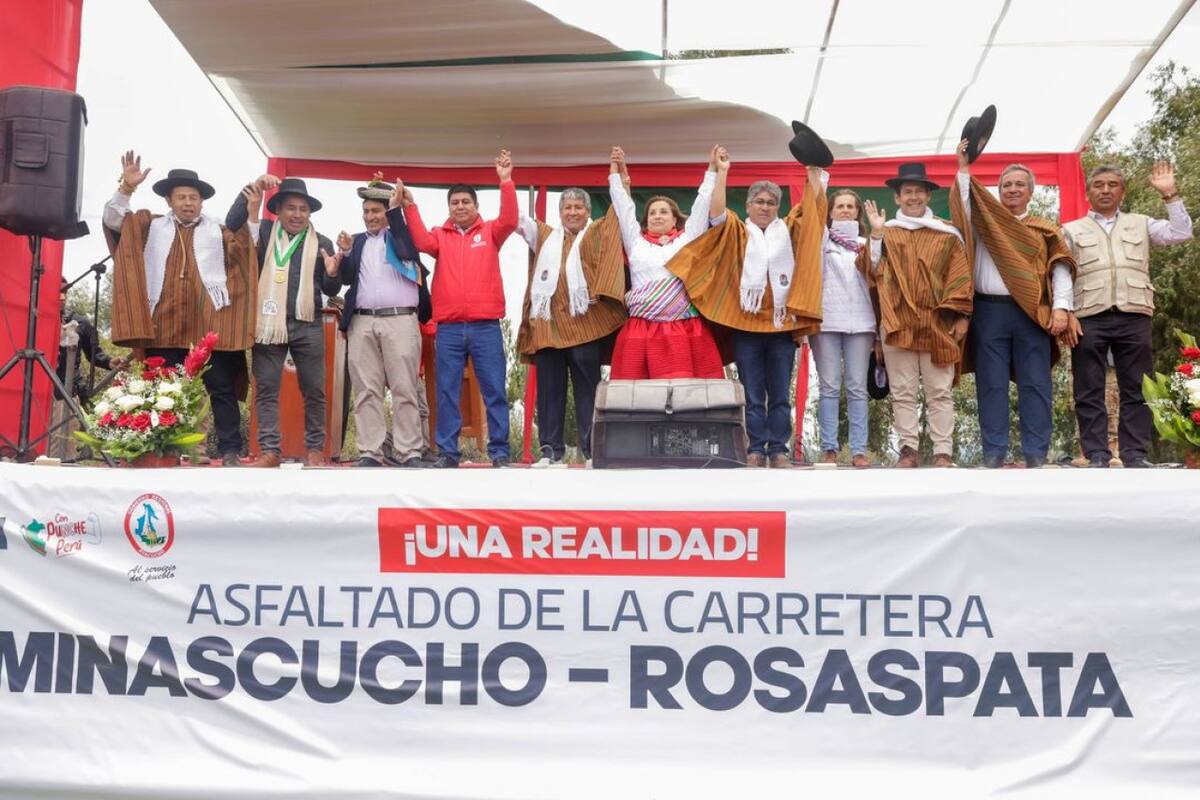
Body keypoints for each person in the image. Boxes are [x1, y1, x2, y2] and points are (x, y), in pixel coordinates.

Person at [667, 152, 826, 468]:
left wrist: (813, 174)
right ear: (749, 205)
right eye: (759, 201)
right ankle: (756, 448)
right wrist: (722, 172)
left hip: (780, 327)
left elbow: (814, 213)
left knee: (779, 394)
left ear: (777, 207)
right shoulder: (737, 231)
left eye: (771, 202)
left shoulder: (789, 228)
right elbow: (716, 211)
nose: (765, 207)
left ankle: (778, 449)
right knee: (753, 393)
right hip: (746, 324)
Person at [103, 152, 256, 467]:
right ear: (170, 201)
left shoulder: (219, 230)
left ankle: (229, 450)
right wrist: (126, 189)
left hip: (211, 322)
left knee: (221, 386)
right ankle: (165, 449)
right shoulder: (150, 226)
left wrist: (248, 213)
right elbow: (114, 221)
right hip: (165, 320)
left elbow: (246, 248)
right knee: (163, 388)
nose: (188, 203)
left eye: (194, 197)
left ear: (201, 202)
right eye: (182, 197)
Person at [950, 141, 1079, 468]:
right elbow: (963, 205)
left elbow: (1060, 267)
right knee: (990, 383)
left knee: (1035, 383)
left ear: (1031, 192)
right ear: (999, 190)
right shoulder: (983, 224)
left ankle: (1036, 454)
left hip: (1031, 313)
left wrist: (1062, 307)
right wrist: (964, 168)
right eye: (1006, 185)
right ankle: (994, 453)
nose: (1012, 189)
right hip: (989, 312)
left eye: (1019, 184)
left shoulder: (1045, 229)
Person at [1061, 161, 1193, 468]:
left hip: (1134, 313)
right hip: (1088, 315)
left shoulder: (1141, 222)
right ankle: (1096, 454)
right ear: (1088, 191)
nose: (1105, 190)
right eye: (1099, 185)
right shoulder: (1070, 229)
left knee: (1137, 386)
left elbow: (1181, 233)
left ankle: (1135, 454)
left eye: (1112, 185)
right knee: (1088, 387)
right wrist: (1065, 312)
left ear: (1123, 191)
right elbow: (1061, 274)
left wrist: (1170, 195)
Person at [398, 150, 517, 468]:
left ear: (476, 206)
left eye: (466, 202)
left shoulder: (491, 232)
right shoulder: (441, 236)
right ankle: (448, 452)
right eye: (455, 203)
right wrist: (409, 204)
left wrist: (505, 182)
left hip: (485, 325)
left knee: (494, 390)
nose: (460, 206)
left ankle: (500, 451)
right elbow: (421, 240)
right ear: (449, 208)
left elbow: (510, 220)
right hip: (449, 328)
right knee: (447, 391)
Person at [864, 163, 973, 468]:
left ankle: (942, 452)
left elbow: (961, 276)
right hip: (898, 324)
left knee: (939, 392)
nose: (913, 197)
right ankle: (908, 449)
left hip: (938, 324)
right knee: (902, 392)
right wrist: (874, 235)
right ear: (897, 198)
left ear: (928, 195)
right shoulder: (886, 233)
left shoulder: (947, 234)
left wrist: (962, 315)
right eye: (907, 192)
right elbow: (871, 271)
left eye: (918, 192)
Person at [227, 176, 338, 468]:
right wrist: (253, 188)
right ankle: (270, 451)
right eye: (291, 208)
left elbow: (330, 290)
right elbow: (232, 220)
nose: (298, 214)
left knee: (314, 389)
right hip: (268, 322)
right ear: (278, 209)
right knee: (265, 388)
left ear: (309, 213)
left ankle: (315, 450)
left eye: (303, 209)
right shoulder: (263, 232)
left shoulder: (322, 242)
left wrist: (333, 272)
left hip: (307, 323)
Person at [324, 174, 431, 468]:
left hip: (400, 320)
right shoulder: (356, 243)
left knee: (404, 387)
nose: (370, 217)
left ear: (389, 213)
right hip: (362, 322)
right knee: (366, 390)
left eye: (377, 211)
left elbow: (408, 252)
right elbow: (345, 279)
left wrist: (397, 212)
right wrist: (341, 258)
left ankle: (409, 451)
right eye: (367, 211)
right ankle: (370, 451)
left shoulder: (402, 236)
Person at [515, 187, 626, 464]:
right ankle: (550, 451)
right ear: (560, 212)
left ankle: (591, 451)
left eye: (579, 207)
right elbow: (511, 218)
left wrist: (619, 177)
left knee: (588, 391)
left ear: (588, 212)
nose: (573, 212)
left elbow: (618, 215)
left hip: (584, 326)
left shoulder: (597, 232)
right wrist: (506, 181)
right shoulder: (544, 235)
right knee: (549, 393)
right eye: (568, 207)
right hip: (548, 328)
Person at [607, 145, 724, 380]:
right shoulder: (636, 244)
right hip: (641, 328)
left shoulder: (686, 241)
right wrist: (616, 173)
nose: (657, 216)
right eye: (652, 213)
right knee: (636, 397)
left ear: (675, 220)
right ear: (646, 220)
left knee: (687, 394)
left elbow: (702, 206)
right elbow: (624, 208)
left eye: (663, 212)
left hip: (683, 327)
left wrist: (712, 169)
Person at [810, 186, 876, 468]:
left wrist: (878, 233)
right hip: (827, 321)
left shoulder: (867, 243)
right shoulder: (822, 241)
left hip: (861, 321)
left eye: (851, 206)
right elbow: (812, 211)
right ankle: (829, 449)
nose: (846, 210)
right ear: (830, 211)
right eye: (840, 206)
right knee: (829, 387)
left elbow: (877, 270)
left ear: (858, 212)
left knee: (858, 387)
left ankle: (859, 450)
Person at [56, 278, 126, 402]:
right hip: (36, 391)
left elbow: (94, 354)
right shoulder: (32, 320)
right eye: (58, 291)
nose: (62, 297)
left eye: (65, 292)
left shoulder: (80, 322)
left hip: (70, 394)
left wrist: (109, 362)